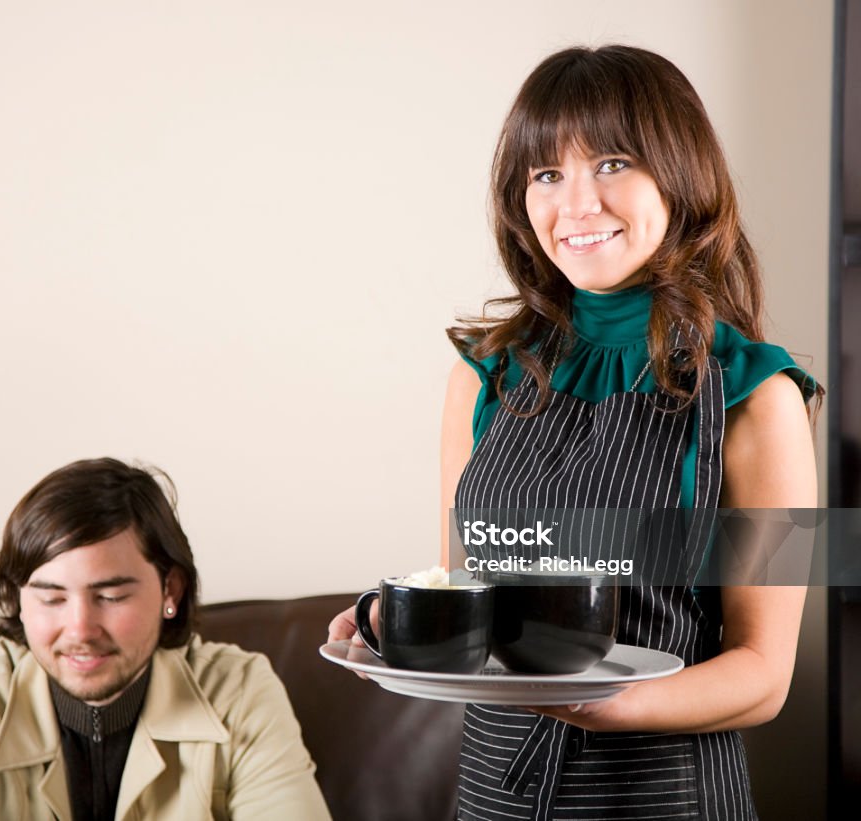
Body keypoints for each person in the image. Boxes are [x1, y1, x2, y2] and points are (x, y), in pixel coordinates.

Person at [329, 45, 819, 819]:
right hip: (494, 793)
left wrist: (605, 704)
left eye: (613, 162)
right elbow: (471, 596)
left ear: (680, 172)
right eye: (547, 175)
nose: (577, 204)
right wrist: (389, 623)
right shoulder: (483, 376)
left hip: (663, 799)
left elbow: (764, 673)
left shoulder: (762, 399)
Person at [0, 457, 331, 821]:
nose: (80, 630)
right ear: (19, 600)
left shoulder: (240, 691)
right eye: (52, 599)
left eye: (111, 596)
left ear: (170, 591)